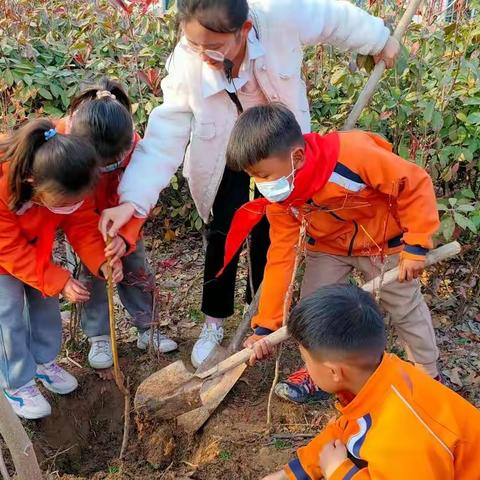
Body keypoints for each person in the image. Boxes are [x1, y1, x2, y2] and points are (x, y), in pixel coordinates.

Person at [98, 0, 401, 368]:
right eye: (194, 45)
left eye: (213, 46)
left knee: (273, 238)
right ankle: (214, 322)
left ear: (243, 30)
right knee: (222, 235)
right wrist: (131, 201)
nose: (202, 56)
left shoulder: (280, 15)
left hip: (278, 150)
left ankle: (263, 322)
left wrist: (379, 40)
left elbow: (333, 18)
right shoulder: (186, 63)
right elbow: (165, 137)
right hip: (222, 154)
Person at [223, 103, 441, 404]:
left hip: (383, 243)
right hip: (328, 248)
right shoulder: (283, 200)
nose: (262, 186)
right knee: (314, 310)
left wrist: (416, 245)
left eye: (263, 174)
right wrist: (266, 325)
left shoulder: (353, 156)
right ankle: (318, 374)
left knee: (405, 306)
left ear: (297, 157)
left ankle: (428, 375)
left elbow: (413, 184)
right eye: (254, 177)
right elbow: (281, 258)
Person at [259, 284, 480, 480]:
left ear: (334, 372)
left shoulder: (401, 436)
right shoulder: (380, 375)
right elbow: (349, 428)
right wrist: (294, 473)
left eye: (306, 361)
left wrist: (339, 472)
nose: (306, 368)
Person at [0, 119, 123, 419]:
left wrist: (101, 261)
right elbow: (8, 249)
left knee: (46, 300)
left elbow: (80, 225)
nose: (73, 206)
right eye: (65, 202)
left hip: (35, 247)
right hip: (4, 253)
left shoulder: (69, 172)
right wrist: (59, 278)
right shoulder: (4, 183)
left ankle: (43, 363)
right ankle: (16, 382)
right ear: (32, 184)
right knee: (8, 313)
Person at [56, 78, 177, 370]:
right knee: (93, 276)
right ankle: (99, 336)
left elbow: (142, 195)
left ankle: (148, 327)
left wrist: (125, 237)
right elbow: (77, 217)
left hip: (124, 222)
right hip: (85, 226)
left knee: (136, 267)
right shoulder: (62, 147)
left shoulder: (134, 146)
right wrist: (101, 260)